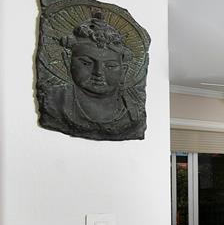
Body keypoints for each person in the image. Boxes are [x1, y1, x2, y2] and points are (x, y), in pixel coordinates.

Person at [38, 11, 146, 140]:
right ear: (67, 62)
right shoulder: (55, 101)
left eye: (110, 66)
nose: (98, 72)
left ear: (123, 70)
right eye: (86, 63)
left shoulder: (134, 113)